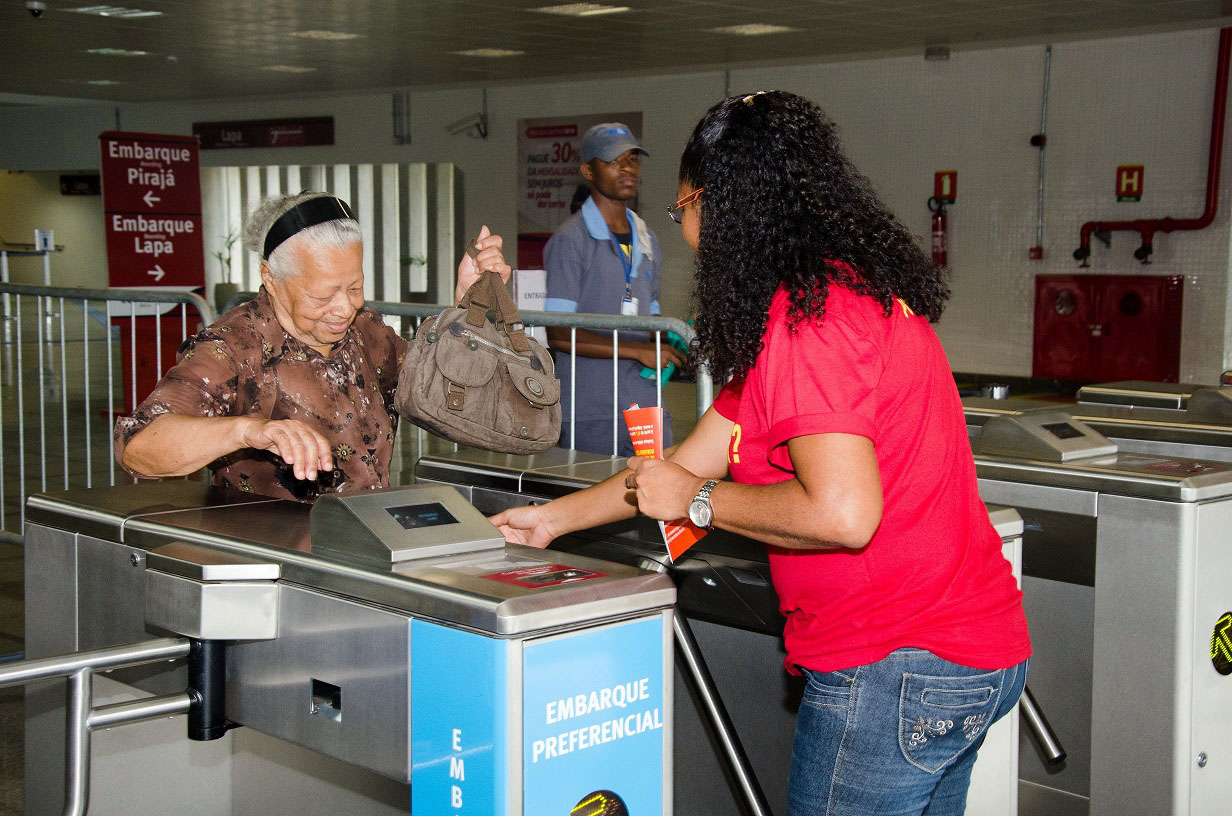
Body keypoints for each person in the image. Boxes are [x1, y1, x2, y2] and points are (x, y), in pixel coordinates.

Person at [492, 92, 1030, 816]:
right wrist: (555, 521)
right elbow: (685, 463)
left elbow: (843, 514)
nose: (683, 230)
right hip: (967, 650)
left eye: (682, 209)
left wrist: (699, 506)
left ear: (718, 204)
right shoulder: (830, 299)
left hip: (894, 665)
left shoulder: (814, 325)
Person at [114, 191, 511, 502]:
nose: (344, 308)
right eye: (323, 295)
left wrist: (467, 307)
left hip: (366, 544)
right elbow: (139, 447)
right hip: (274, 559)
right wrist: (249, 431)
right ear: (271, 278)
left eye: (354, 288)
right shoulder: (233, 348)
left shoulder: (366, 332)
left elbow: (437, 394)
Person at [543, 122, 686, 456]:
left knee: (656, 497)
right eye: (612, 160)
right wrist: (636, 351)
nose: (627, 167)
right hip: (592, 408)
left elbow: (650, 318)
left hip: (645, 402)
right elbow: (559, 334)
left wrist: (672, 338)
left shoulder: (647, 238)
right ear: (588, 171)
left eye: (633, 159)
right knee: (593, 497)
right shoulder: (570, 240)